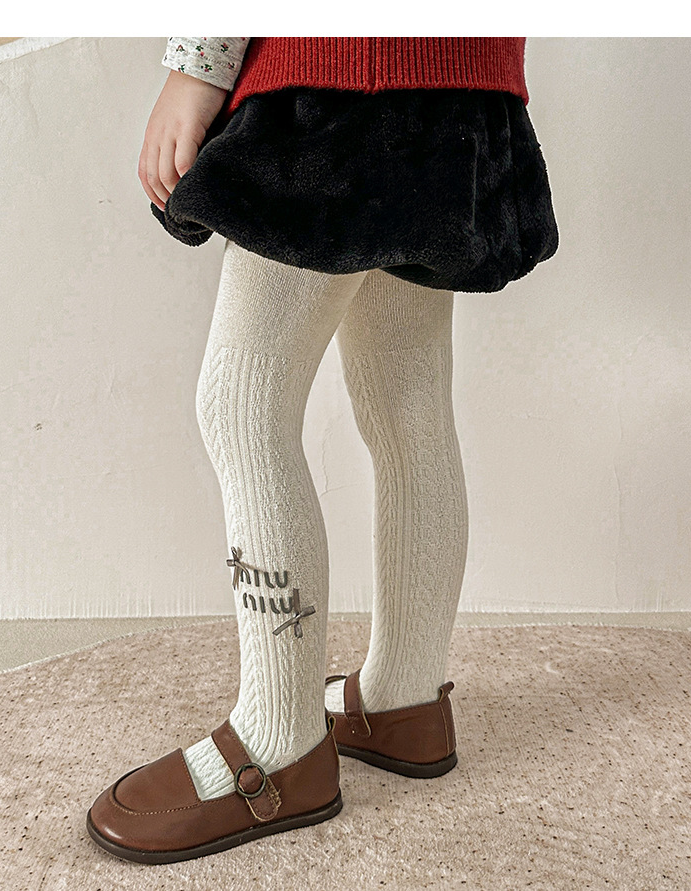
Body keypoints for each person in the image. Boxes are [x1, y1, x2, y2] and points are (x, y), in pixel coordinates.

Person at [86, 36, 559, 864]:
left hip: (336, 78)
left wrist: (196, 65)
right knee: (408, 403)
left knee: (242, 407)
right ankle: (406, 700)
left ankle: (279, 744)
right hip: (462, 91)